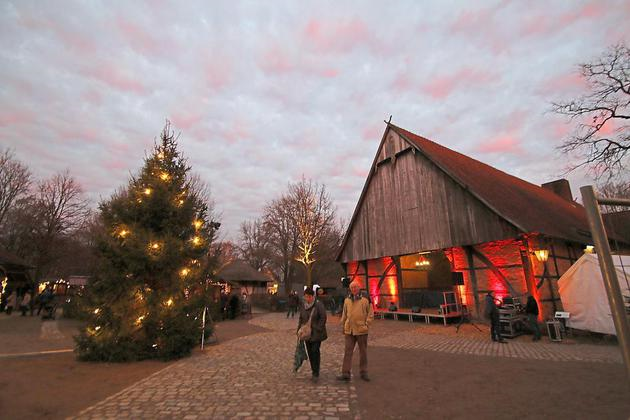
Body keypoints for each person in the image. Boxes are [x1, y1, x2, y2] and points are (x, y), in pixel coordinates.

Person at [337, 280, 374, 382]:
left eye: (355, 287)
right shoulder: (347, 300)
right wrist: (343, 324)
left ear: (359, 288)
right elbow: (344, 313)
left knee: (363, 352)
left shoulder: (365, 299)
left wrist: (367, 325)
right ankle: (345, 373)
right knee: (347, 351)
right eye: (352, 288)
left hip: (361, 329)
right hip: (350, 330)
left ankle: (363, 372)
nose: (353, 289)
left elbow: (370, 313)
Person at [297, 287, 327, 382]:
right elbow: (301, 318)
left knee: (315, 351)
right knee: (310, 352)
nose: (307, 298)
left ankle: (316, 372)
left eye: (309, 296)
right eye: (306, 296)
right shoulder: (303, 305)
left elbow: (323, 317)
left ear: (312, 296)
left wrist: (318, 328)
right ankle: (313, 370)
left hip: (316, 333)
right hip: (307, 333)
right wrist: (299, 330)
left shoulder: (318, 305)